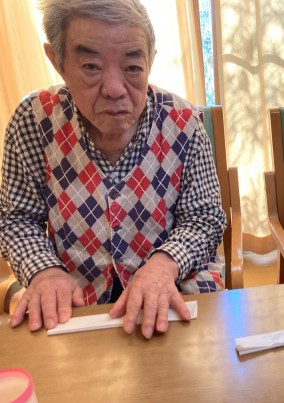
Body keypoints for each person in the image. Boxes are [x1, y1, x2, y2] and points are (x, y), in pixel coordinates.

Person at [0, 0, 226, 338]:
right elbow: (17, 218)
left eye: (132, 67)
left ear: (149, 61)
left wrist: (165, 264)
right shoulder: (34, 121)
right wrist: (45, 271)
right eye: (91, 67)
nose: (115, 89)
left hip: (174, 287)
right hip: (76, 298)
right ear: (58, 61)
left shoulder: (184, 123)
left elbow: (205, 217)